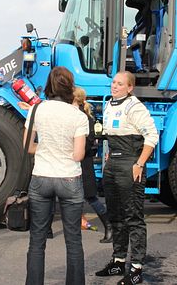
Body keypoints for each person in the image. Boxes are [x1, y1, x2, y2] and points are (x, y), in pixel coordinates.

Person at [25, 66, 88, 285]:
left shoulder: (36, 110)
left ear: (50, 85)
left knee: (37, 241)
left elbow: (28, 146)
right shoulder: (77, 115)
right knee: (73, 241)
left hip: (41, 176)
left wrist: (44, 149)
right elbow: (79, 154)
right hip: (69, 178)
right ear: (70, 86)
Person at [95, 71, 159, 285]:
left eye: (120, 84)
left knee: (134, 217)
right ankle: (118, 260)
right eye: (114, 82)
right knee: (116, 216)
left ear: (130, 88)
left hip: (130, 163)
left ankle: (136, 269)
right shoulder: (109, 105)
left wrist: (139, 163)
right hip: (113, 163)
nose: (115, 86)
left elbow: (152, 135)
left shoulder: (135, 106)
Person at [73, 87, 112, 243]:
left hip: (83, 163)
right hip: (77, 162)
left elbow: (88, 143)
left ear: (75, 99)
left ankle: (109, 227)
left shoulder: (85, 118)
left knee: (90, 197)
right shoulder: (82, 116)